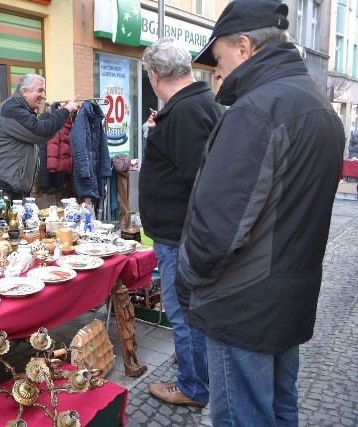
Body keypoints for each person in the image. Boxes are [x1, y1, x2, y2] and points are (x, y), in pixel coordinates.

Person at [177, 1, 344, 425]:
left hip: (242, 301)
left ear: (245, 47)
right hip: (289, 292)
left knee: (243, 416)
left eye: (219, 59)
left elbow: (218, 227)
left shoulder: (257, 110)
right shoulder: (319, 104)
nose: (218, 71)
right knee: (281, 407)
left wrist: (187, 281)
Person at [138, 37, 224, 408]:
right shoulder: (197, 104)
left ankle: (192, 387)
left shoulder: (186, 112)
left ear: (155, 76)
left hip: (178, 236)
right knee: (190, 311)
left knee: (181, 312)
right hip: (182, 234)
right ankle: (194, 364)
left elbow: (196, 183)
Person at [0, 74, 78, 214]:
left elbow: (41, 128)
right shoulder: (11, 109)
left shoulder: (21, 110)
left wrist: (58, 112)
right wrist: (66, 111)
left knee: (12, 232)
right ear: (25, 91)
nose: (44, 95)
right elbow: (41, 132)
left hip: (10, 185)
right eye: (40, 90)